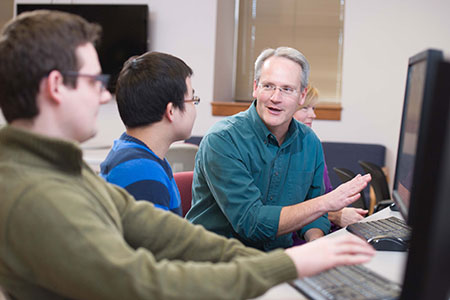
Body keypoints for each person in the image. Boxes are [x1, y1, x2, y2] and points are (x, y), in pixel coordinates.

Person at [0, 11, 375, 299]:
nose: (103, 96)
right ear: (54, 87)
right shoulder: (34, 194)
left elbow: (172, 236)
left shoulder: (65, 171)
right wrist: (287, 264)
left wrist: (284, 263)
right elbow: (144, 283)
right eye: (96, 82)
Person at [186, 47, 371, 251]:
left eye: (286, 89)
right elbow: (252, 223)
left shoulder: (310, 142)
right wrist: (326, 203)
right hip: (218, 264)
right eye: (268, 86)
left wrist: (316, 245)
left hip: (278, 259)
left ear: (302, 96)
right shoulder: (222, 140)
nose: (275, 97)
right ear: (255, 88)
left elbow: (314, 219)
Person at [100, 51, 198, 216]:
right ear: (171, 110)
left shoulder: (138, 156)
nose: (194, 108)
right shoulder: (141, 171)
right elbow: (159, 241)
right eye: (192, 99)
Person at [293, 85, 368, 228]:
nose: (313, 115)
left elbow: (325, 197)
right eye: (305, 108)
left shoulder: (312, 145)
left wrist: (339, 212)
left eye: (313, 108)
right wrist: (335, 216)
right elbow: (288, 209)